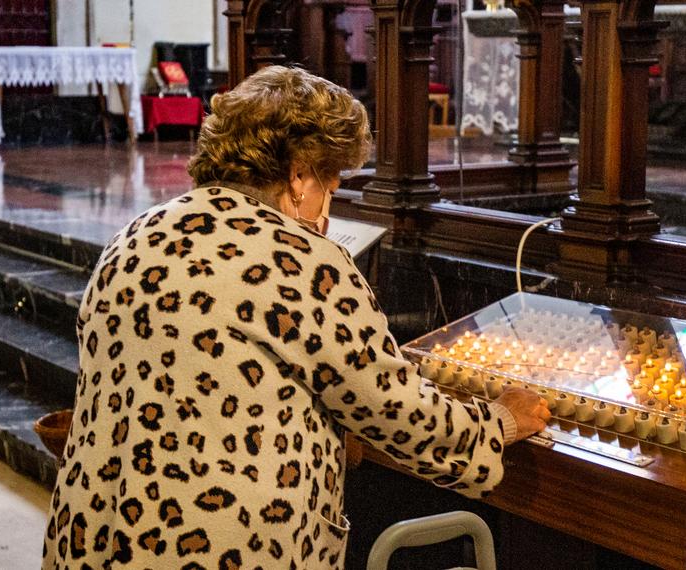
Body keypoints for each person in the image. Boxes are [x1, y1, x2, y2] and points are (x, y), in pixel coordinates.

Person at [41, 66, 549, 569]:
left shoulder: (136, 236)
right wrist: (498, 421)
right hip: (219, 544)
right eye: (331, 178)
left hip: (93, 534)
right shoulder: (302, 260)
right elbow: (395, 409)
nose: (331, 196)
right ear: (299, 174)